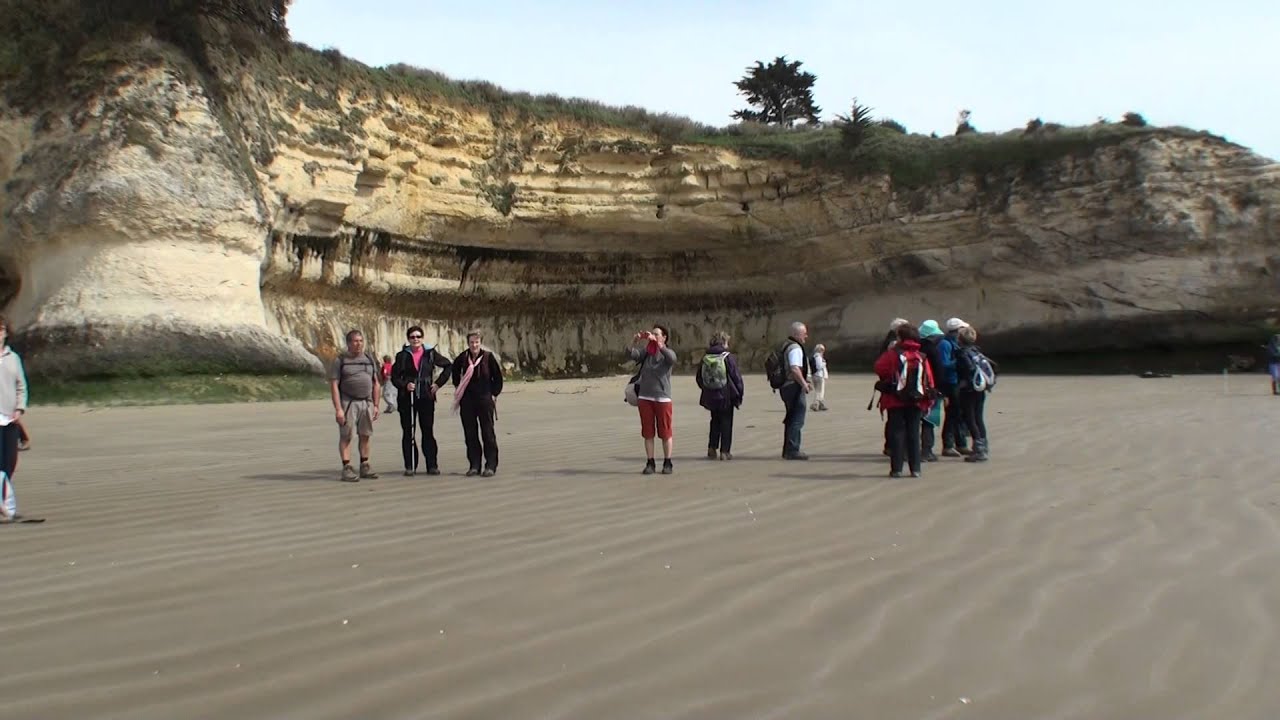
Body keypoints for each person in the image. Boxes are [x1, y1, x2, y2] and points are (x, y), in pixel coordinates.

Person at [874, 324, 936, 478]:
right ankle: (915, 469)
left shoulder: (893, 354)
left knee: (896, 433)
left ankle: (897, 469)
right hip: (916, 401)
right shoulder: (921, 356)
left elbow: (879, 368)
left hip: (895, 399)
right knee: (914, 434)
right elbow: (929, 379)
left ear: (900, 338)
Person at [391, 326, 453, 476]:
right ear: (408, 339)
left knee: (427, 431)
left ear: (422, 338)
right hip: (407, 398)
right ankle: (410, 465)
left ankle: (432, 465)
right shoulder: (402, 356)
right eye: (412, 337)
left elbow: (448, 366)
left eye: (418, 336)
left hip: (426, 396)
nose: (415, 339)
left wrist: (438, 384)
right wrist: (405, 385)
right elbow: (394, 377)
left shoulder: (430, 353)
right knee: (408, 432)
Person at [329, 329, 381, 482]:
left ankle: (365, 464)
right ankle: (347, 467)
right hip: (348, 402)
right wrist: (338, 409)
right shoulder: (341, 360)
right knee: (346, 435)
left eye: (360, 341)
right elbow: (334, 385)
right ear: (348, 343)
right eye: (355, 341)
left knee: (365, 434)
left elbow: (376, 383)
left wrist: (376, 405)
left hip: (366, 402)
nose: (358, 344)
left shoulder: (369, 359)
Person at [0, 316, 37, 523]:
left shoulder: (13, 358)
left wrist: (19, 409)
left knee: (9, 464)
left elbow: (21, 386)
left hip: (10, 419)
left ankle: (6, 505)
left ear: (6, 333)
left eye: (1, 329)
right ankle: (7, 509)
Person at [626, 325, 678, 474]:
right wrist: (634, 341)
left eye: (657, 334)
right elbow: (631, 354)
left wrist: (659, 344)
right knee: (648, 432)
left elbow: (672, 359)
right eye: (652, 334)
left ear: (664, 337)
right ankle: (650, 462)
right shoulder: (647, 353)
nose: (653, 337)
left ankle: (668, 462)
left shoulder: (667, 353)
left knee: (665, 432)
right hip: (645, 397)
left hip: (662, 398)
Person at [451, 330, 504, 477]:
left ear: (480, 342)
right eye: (471, 342)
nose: (474, 345)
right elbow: (455, 375)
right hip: (467, 401)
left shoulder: (488, 357)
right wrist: (459, 389)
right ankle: (474, 465)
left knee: (488, 433)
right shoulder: (462, 358)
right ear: (467, 343)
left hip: (485, 400)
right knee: (470, 434)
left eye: (477, 342)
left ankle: (490, 465)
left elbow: (498, 378)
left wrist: (493, 394)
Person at [695, 330, 745, 461]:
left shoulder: (705, 357)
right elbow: (736, 377)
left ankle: (712, 448)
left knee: (714, 421)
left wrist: (707, 389)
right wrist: (739, 393)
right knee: (726, 422)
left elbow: (699, 377)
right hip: (726, 395)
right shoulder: (727, 357)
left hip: (711, 395)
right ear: (723, 342)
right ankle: (725, 451)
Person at [955, 325, 991, 462]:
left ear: (960, 339)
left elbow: (968, 369)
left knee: (970, 419)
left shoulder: (962, 353)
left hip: (968, 390)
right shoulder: (977, 351)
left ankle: (979, 450)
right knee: (978, 417)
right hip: (980, 388)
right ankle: (984, 445)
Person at [917, 320, 952, 462]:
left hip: (913, 390)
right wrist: (942, 392)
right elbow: (939, 372)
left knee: (913, 421)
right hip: (931, 390)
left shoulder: (914, 348)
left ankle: (909, 450)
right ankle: (927, 451)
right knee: (928, 421)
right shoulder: (932, 349)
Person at [779, 321, 812, 460]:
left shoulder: (785, 346)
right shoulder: (795, 348)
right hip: (793, 386)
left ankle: (787, 450)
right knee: (797, 418)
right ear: (797, 334)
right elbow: (794, 368)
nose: (806, 336)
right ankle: (792, 450)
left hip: (786, 386)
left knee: (791, 417)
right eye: (804, 333)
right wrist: (804, 384)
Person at [941, 317, 972, 456]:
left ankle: (961, 444)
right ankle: (948, 445)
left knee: (959, 414)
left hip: (958, 382)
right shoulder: (945, 344)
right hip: (950, 383)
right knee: (952, 414)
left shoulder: (957, 343)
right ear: (957, 330)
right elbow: (944, 364)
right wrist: (959, 361)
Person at [810, 344, 829, 411]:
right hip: (819, 375)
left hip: (816, 375)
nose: (823, 351)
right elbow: (819, 366)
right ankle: (815, 404)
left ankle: (821, 405)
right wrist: (824, 363)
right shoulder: (818, 356)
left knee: (820, 391)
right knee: (819, 391)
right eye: (822, 349)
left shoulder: (816, 356)